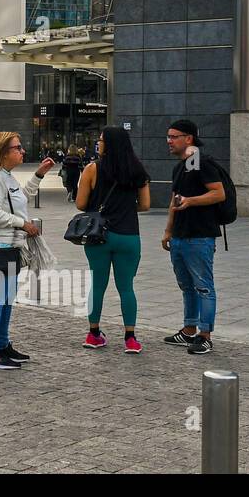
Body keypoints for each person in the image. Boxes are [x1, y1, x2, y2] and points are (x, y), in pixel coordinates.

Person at [0, 132, 56, 370]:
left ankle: (2, 345)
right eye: (17, 148)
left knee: (6, 299)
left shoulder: (7, 176)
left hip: (11, 245)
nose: (22, 151)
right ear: (3, 152)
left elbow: (19, 198)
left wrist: (38, 175)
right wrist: (23, 224)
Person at [76, 127, 151, 352]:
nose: (98, 143)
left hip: (98, 235)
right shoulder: (138, 170)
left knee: (97, 286)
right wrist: (125, 209)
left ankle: (93, 334)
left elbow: (81, 204)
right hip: (128, 235)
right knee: (126, 287)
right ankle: (130, 338)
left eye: (100, 140)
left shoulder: (92, 169)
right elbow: (146, 205)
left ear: (108, 144)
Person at [162, 119, 224, 355]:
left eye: (174, 136)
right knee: (186, 285)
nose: (169, 141)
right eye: (168, 136)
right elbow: (174, 200)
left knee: (203, 286)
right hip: (179, 235)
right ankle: (188, 330)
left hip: (200, 235)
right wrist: (168, 230)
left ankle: (205, 335)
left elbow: (219, 193)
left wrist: (192, 201)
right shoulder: (180, 166)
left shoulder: (203, 163)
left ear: (189, 139)